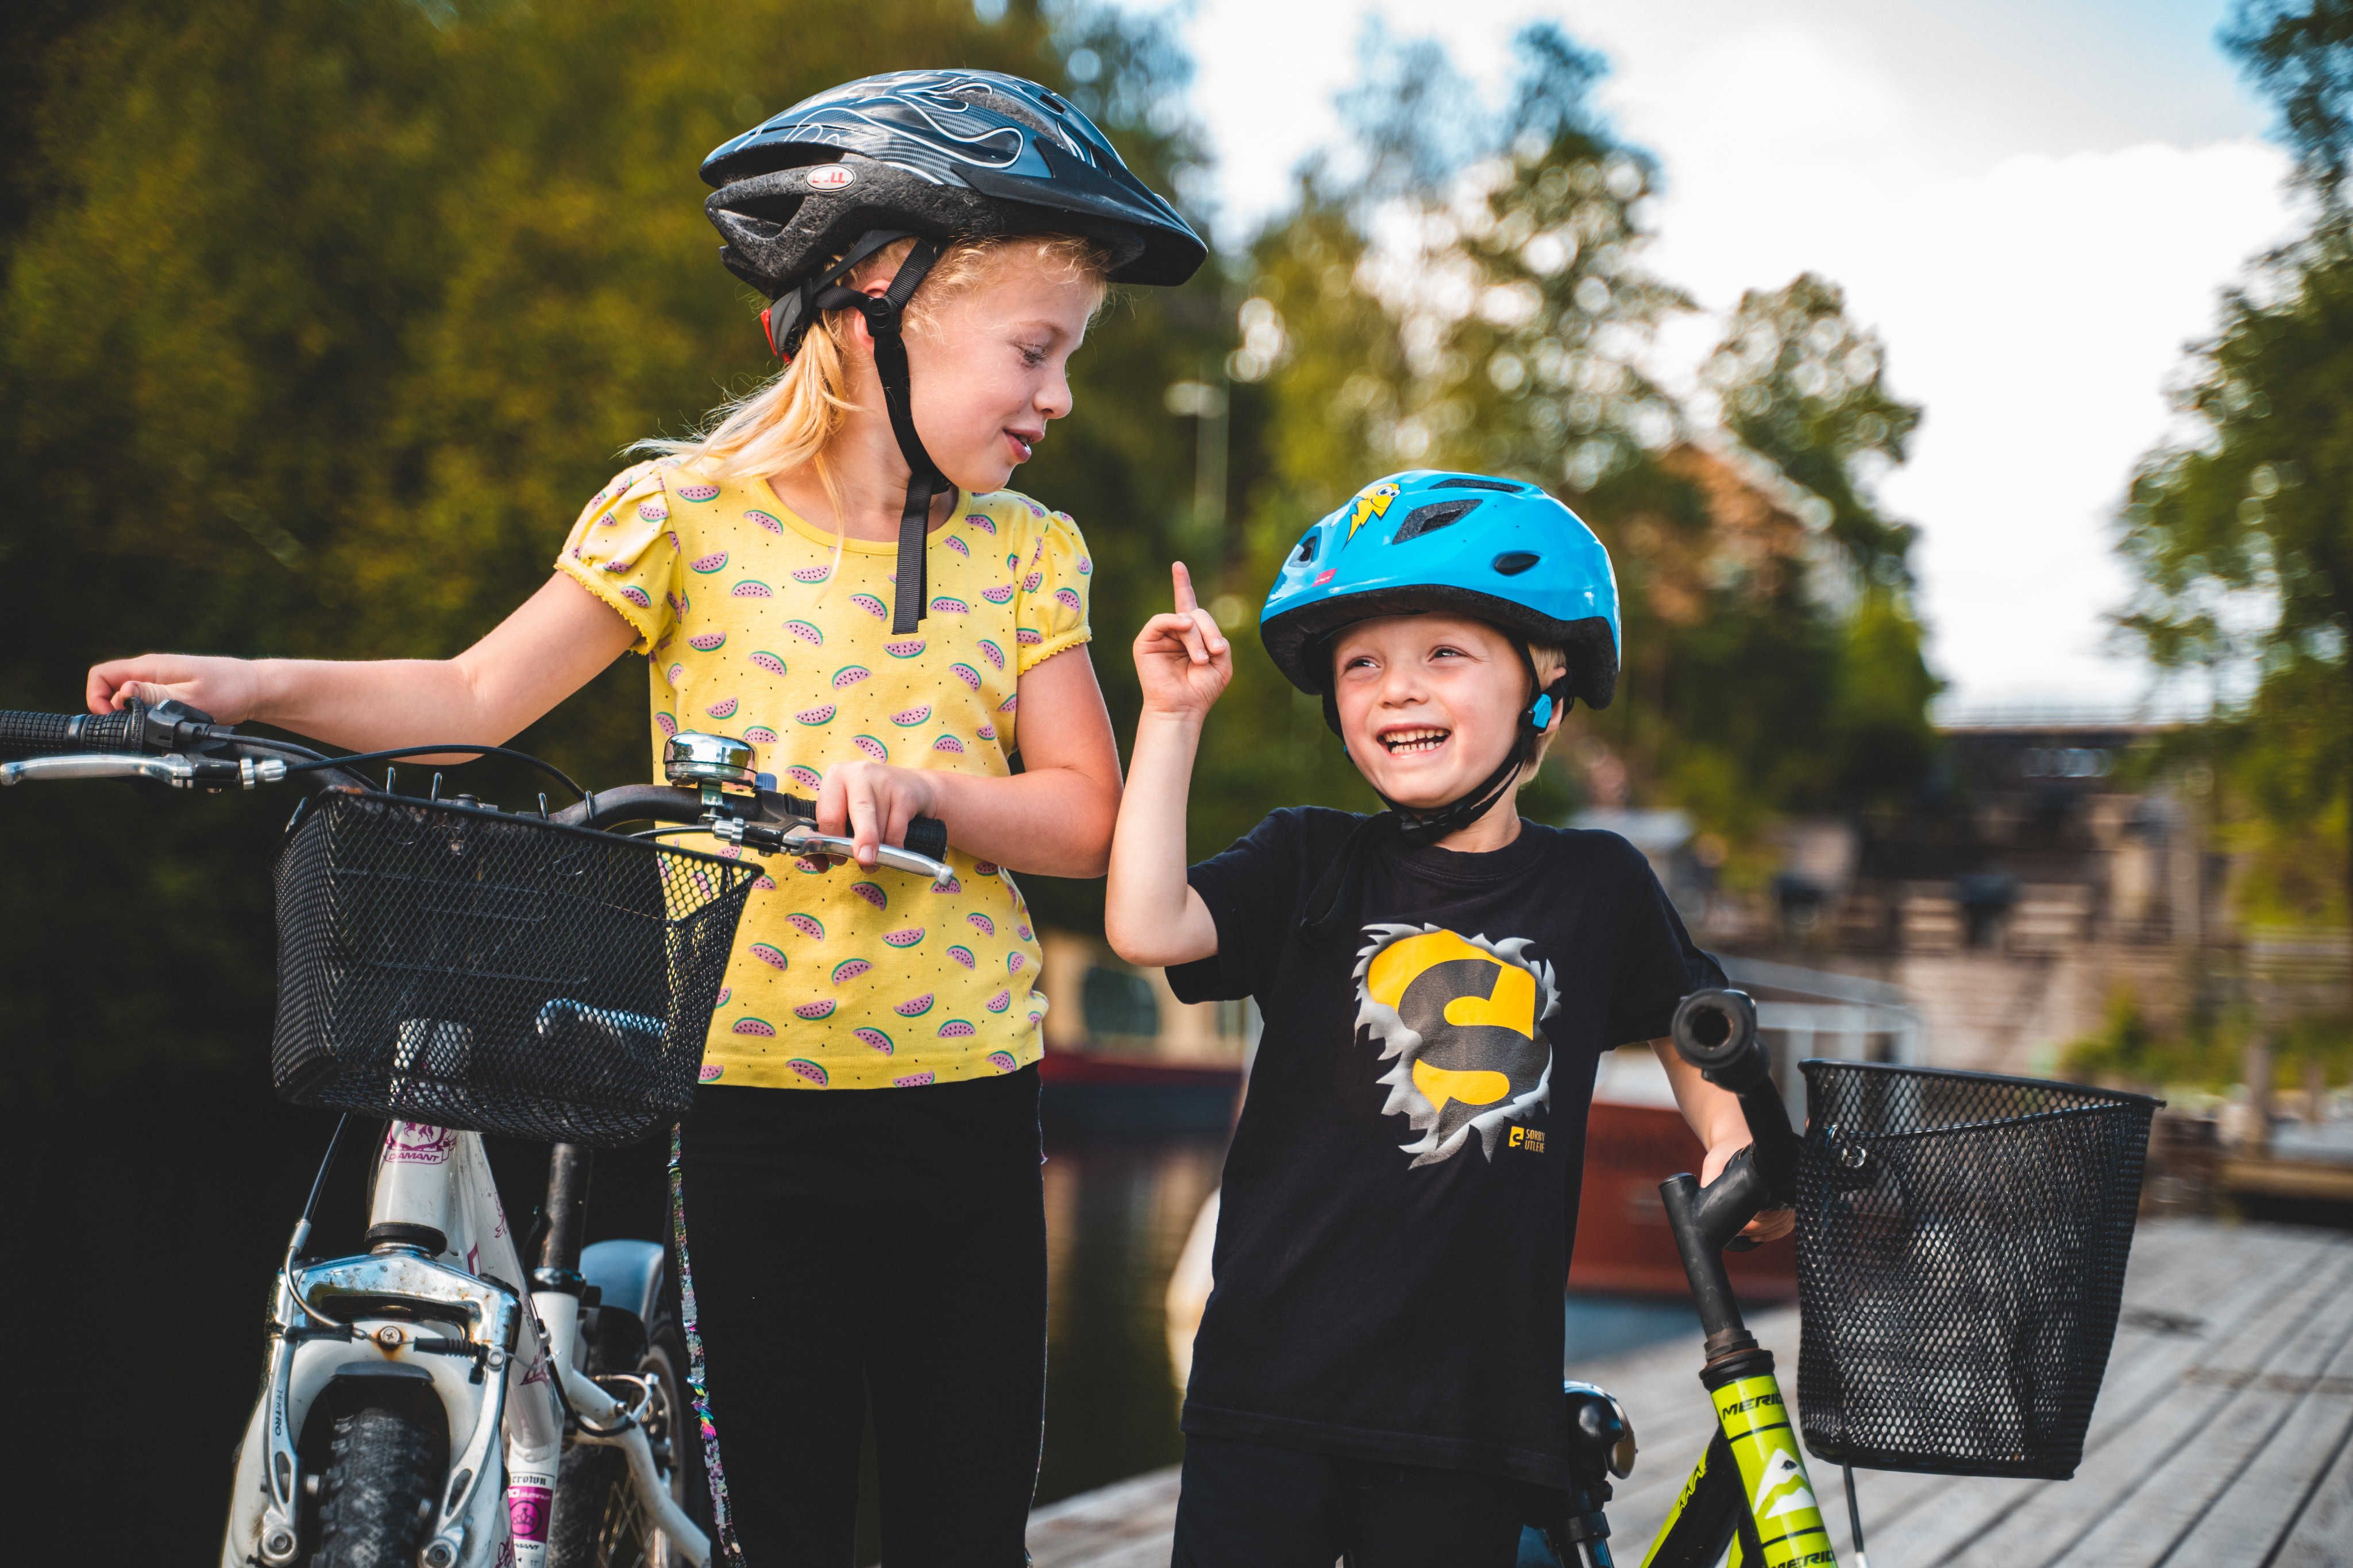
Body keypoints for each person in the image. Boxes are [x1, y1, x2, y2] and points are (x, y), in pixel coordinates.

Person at [87, 69, 1203, 1567]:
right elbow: (476, 693)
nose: (1059, 394)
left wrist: (932, 794)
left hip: (968, 1107)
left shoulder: (1028, 554)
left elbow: (1083, 816)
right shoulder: (682, 517)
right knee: (780, 1518)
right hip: (741, 1102)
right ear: (881, 304)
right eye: (1035, 350)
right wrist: (253, 681)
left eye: (1066, 357)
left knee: (964, 1518)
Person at [1104, 470, 1794, 1567]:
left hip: (1473, 1420)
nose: (1397, 689)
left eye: (1444, 655)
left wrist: (1732, 1140)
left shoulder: (1597, 887)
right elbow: (1148, 922)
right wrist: (1173, 719)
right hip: (1268, 1400)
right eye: (1363, 663)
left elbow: (1690, 1021)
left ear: (1544, 689)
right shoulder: (1307, 860)